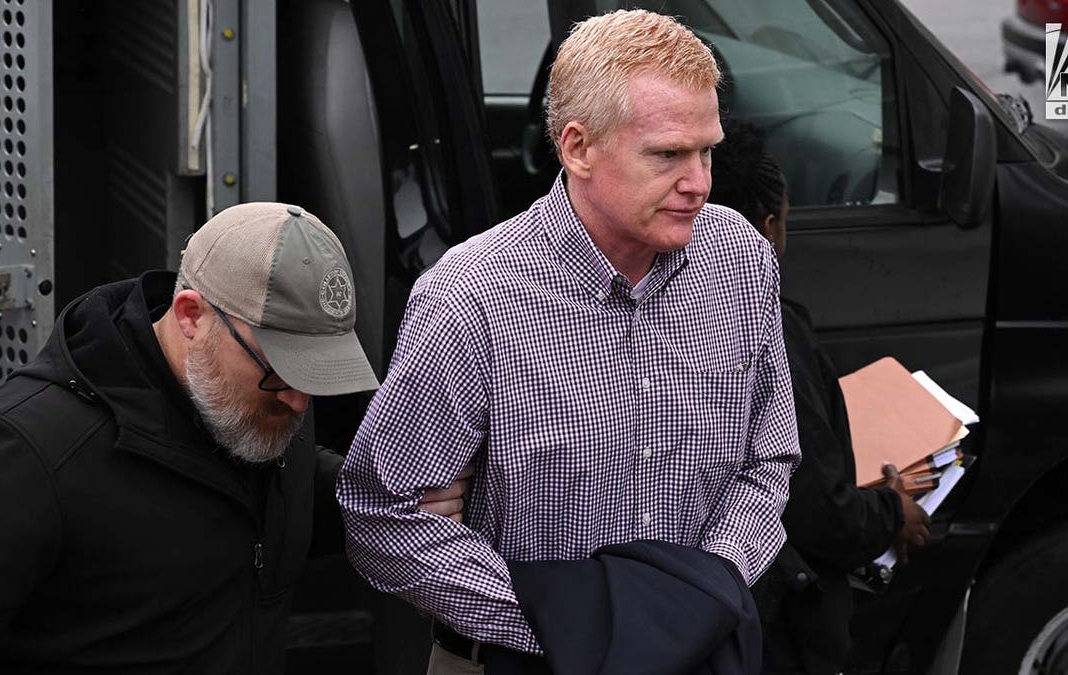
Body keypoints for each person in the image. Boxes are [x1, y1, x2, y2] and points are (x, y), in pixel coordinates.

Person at [337, 9, 800, 673]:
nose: (699, 182)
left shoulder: (741, 260)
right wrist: (572, 626)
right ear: (578, 147)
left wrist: (695, 599)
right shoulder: (471, 302)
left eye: (707, 149)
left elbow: (768, 459)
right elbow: (383, 518)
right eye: (667, 154)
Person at [0, 202, 463, 674]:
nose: (297, 402)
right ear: (190, 315)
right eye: (279, 371)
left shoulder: (257, 408)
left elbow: (272, 491)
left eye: (315, 378)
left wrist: (386, 493)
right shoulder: (26, 455)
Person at [709, 118, 931, 675]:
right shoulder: (768, 328)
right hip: (774, 624)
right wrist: (890, 513)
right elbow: (814, 509)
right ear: (767, 225)